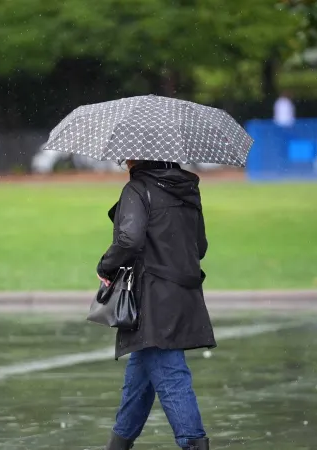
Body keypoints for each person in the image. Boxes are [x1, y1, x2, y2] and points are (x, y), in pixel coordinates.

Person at [97, 159, 216, 450]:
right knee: (139, 380)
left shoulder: (137, 189)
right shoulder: (187, 189)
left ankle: (193, 443)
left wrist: (106, 266)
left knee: (172, 376)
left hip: (152, 299)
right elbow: (199, 246)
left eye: (128, 155)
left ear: (139, 156)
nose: (125, 159)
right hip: (183, 294)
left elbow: (129, 240)